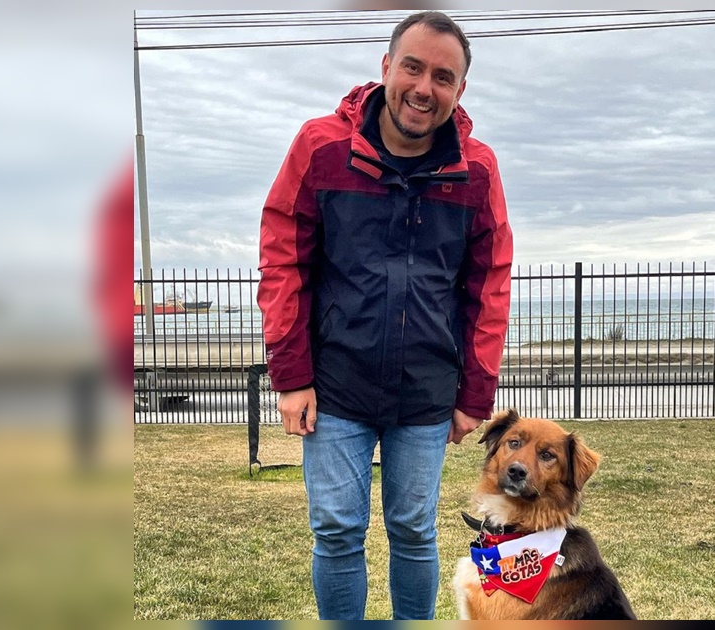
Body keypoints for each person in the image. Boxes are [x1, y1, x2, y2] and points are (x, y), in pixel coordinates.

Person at [257, 11, 513, 620]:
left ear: (459, 90)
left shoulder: (476, 169)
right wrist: (292, 377)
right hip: (336, 385)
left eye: (443, 76)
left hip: (425, 390)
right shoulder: (321, 147)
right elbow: (282, 259)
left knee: (414, 531)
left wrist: (473, 394)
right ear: (386, 69)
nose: (424, 88)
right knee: (338, 531)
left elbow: (488, 284)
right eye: (414, 67)